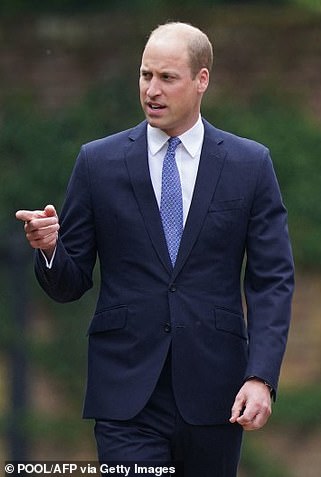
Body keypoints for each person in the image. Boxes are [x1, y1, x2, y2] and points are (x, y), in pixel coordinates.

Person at [16, 22, 294, 477]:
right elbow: (69, 283)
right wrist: (49, 249)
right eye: (146, 76)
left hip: (216, 392)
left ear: (202, 80)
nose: (152, 90)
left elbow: (272, 280)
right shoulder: (98, 163)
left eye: (167, 78)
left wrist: (260, 376)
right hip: (125, 393)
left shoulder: (250, 165)